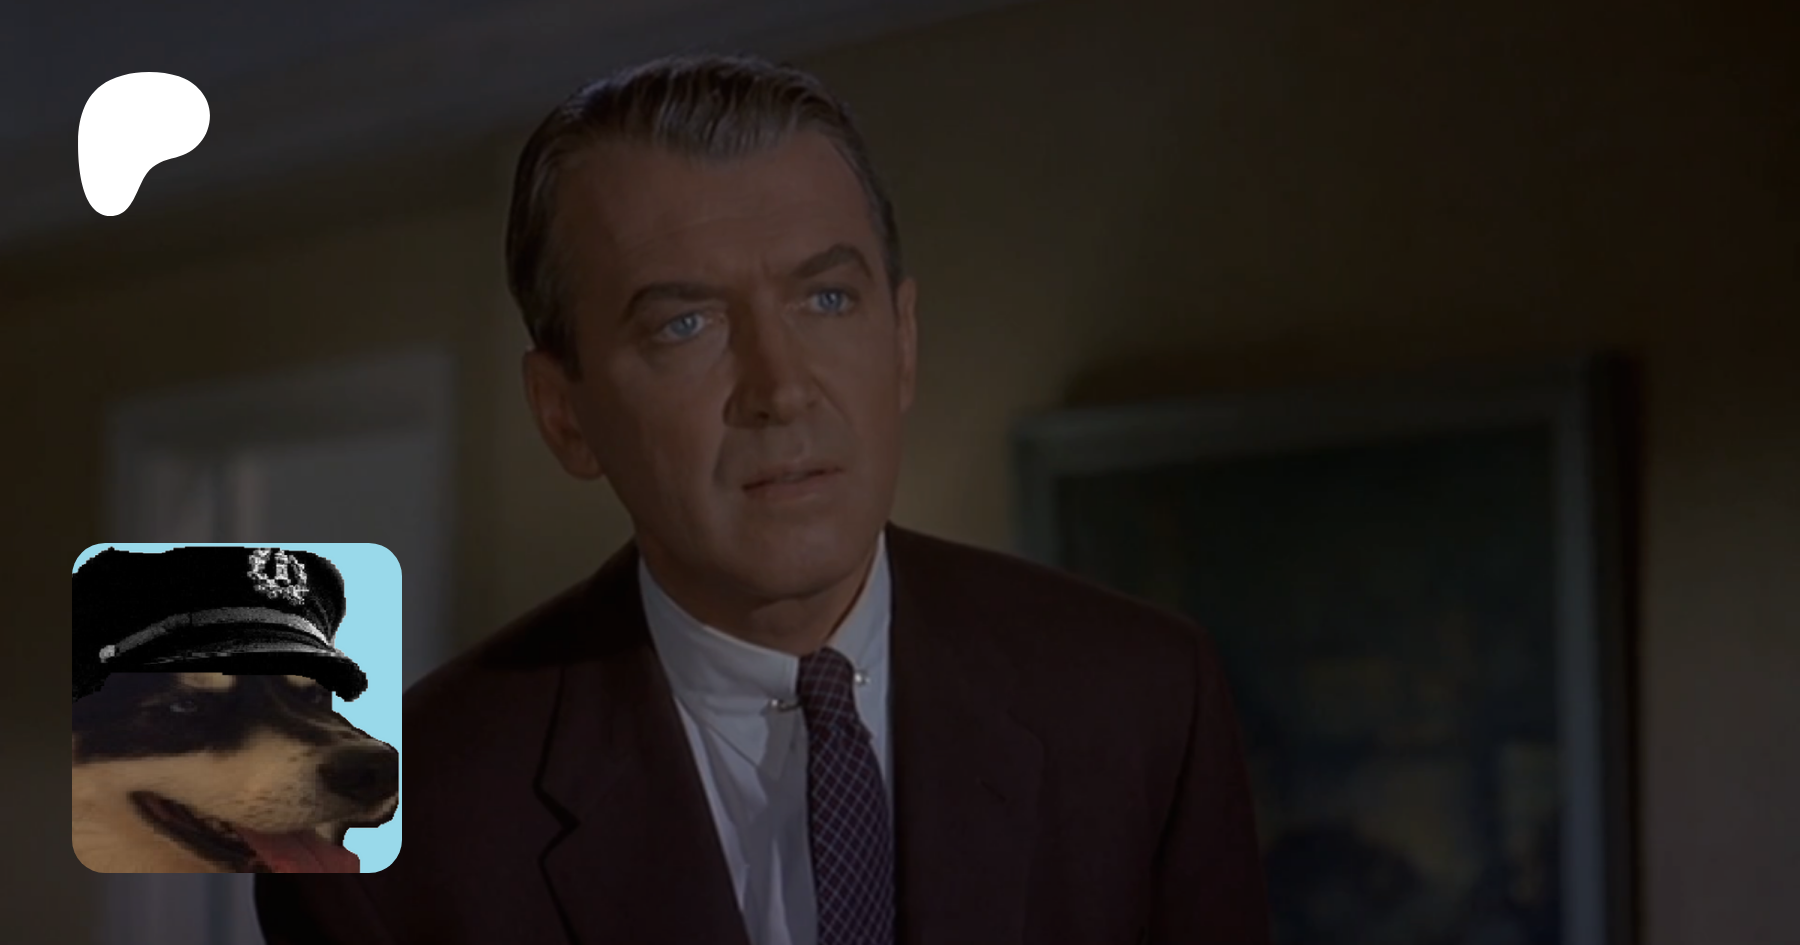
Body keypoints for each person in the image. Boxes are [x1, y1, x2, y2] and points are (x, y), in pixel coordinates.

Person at [255, 52, 1270, 944]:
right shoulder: (382, 839)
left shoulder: (1139, 701)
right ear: (564, 414)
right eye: (685, 325)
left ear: (903, 342)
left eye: (827, 299)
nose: (781, 389)